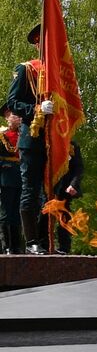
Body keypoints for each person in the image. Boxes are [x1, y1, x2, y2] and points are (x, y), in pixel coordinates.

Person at [7, 25, 50, 253]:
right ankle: (32, 242)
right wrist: (37, 109)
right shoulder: (27, 70)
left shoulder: (61, 73)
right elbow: (12, 102)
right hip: (32, 138)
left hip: (56, 140)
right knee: (31, 190)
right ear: (37, 43)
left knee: (53, 192)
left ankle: (46, 240)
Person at [48, 142, 82, 255]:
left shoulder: (72, 146)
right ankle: (43, 244)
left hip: (65, 188)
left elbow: (78, 168)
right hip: (48, 187)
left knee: (64, 217)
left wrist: (73, 184)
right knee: (44, 216)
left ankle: (64, 247)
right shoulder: (48, 142)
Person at [0, 107, 19, 254]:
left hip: (22, 178)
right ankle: (7, 246)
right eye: (13, 114)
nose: (17, 117)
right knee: (7, 214)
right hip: (6, 178)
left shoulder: (25, 134)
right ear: (7, 117)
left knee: (18, 214)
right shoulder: (2, 135)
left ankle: (17, 246)